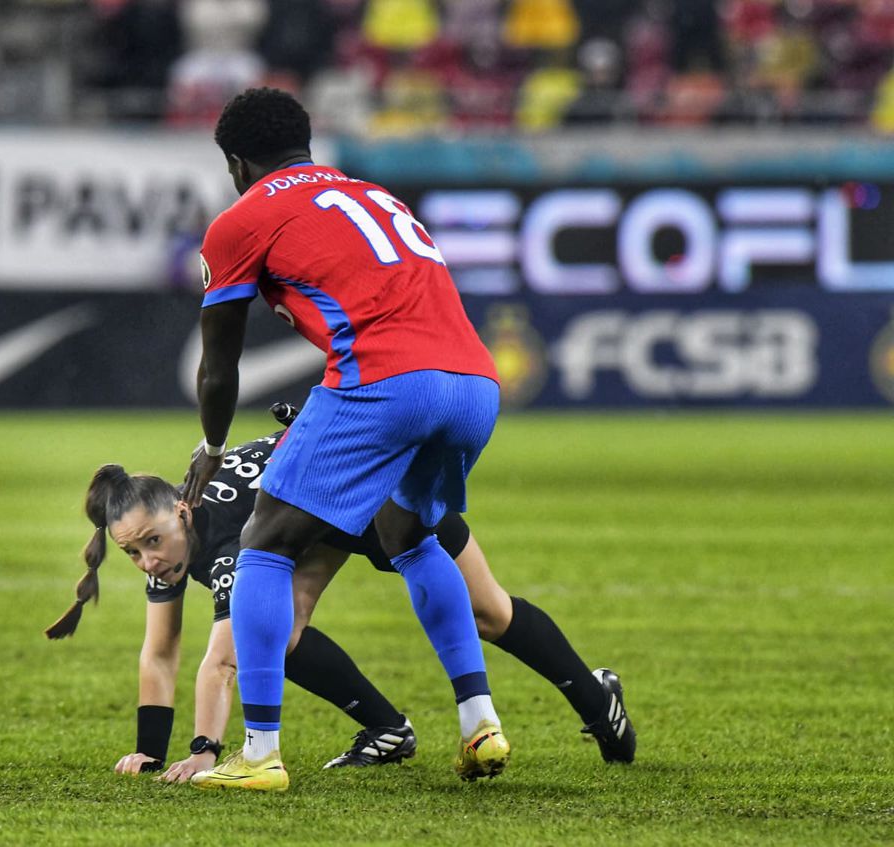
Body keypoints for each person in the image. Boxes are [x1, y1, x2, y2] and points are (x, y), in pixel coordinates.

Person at [181, 88, 629, 791]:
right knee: (410, 536)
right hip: (475, 383)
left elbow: (220, 363)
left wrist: (211, 445)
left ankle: (260, 752)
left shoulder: (242, 221)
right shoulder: (373, 194)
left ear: (237, 164)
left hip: (387, 380)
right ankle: (480, 721)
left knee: (265, 541)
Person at [49, 404, 634, 783]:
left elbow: (222, 661)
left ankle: (595, 697)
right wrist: (150, 752)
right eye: (132, 552)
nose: (148, 560)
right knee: (285, 631)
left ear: (183, 509)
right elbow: (159, 651)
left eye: (152, 542)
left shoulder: (222, 540)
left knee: (489, 612)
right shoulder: (166, 541)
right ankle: (388, 730)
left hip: (377, 493)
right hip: (315, 523)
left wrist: (204, 749)